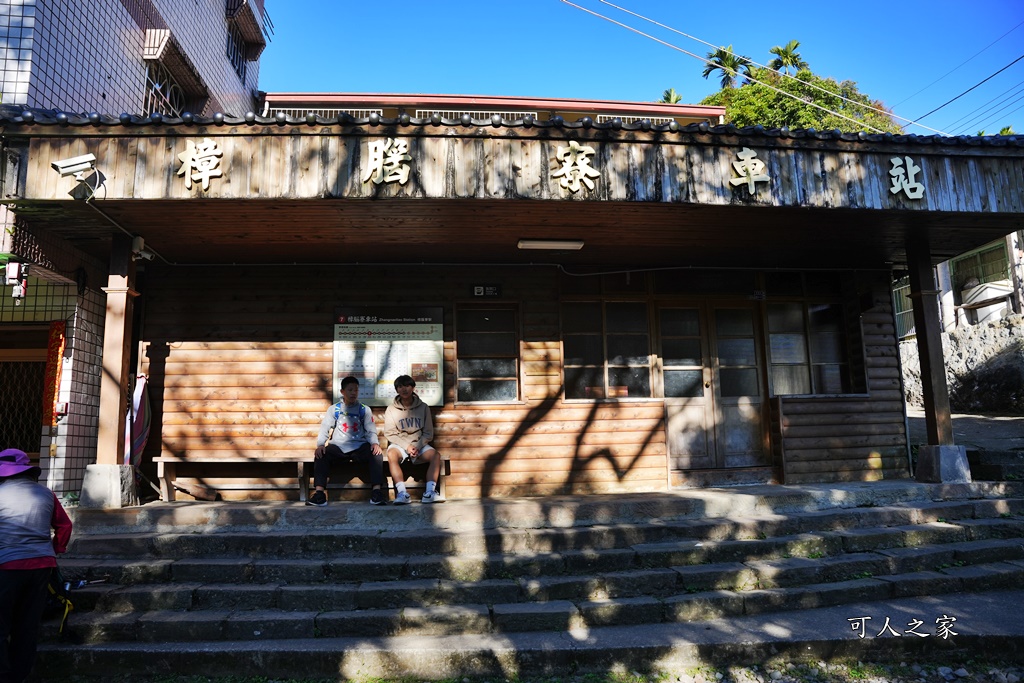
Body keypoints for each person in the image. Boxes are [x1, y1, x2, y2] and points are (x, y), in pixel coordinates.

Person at [0, 448, 73, 683]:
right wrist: (55, 549)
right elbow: (65, 526)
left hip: (6, 567)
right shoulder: (46, 493)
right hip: (42, 567)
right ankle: (20, 676)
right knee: (27, 624)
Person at [309, 376, 385, 506]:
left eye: (356, 390)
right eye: (350, 390)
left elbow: (370, 429)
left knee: (376, 454)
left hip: (359, 446)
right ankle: (319, 494)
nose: (353, 393)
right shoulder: (334, 409)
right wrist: (321, 444)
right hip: (338, 447)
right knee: (321, 454)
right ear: (342, 391)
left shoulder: (364, 409)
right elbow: (325, 427)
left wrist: (374, 443)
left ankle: (376, 493)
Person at [383, 375, 441, 504]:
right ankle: (402, 493)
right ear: (397, 390)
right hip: (400, 444)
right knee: (391, 454)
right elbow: (390, 433)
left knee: (435, 455)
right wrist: (407, 446)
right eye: (400, 386)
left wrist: (418, 446)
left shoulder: (423, 407)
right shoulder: (391, 409)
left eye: (407, 385)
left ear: (413, 388)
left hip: (419, 444)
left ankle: (430, 492)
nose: (404, 389)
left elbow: (428, 432)